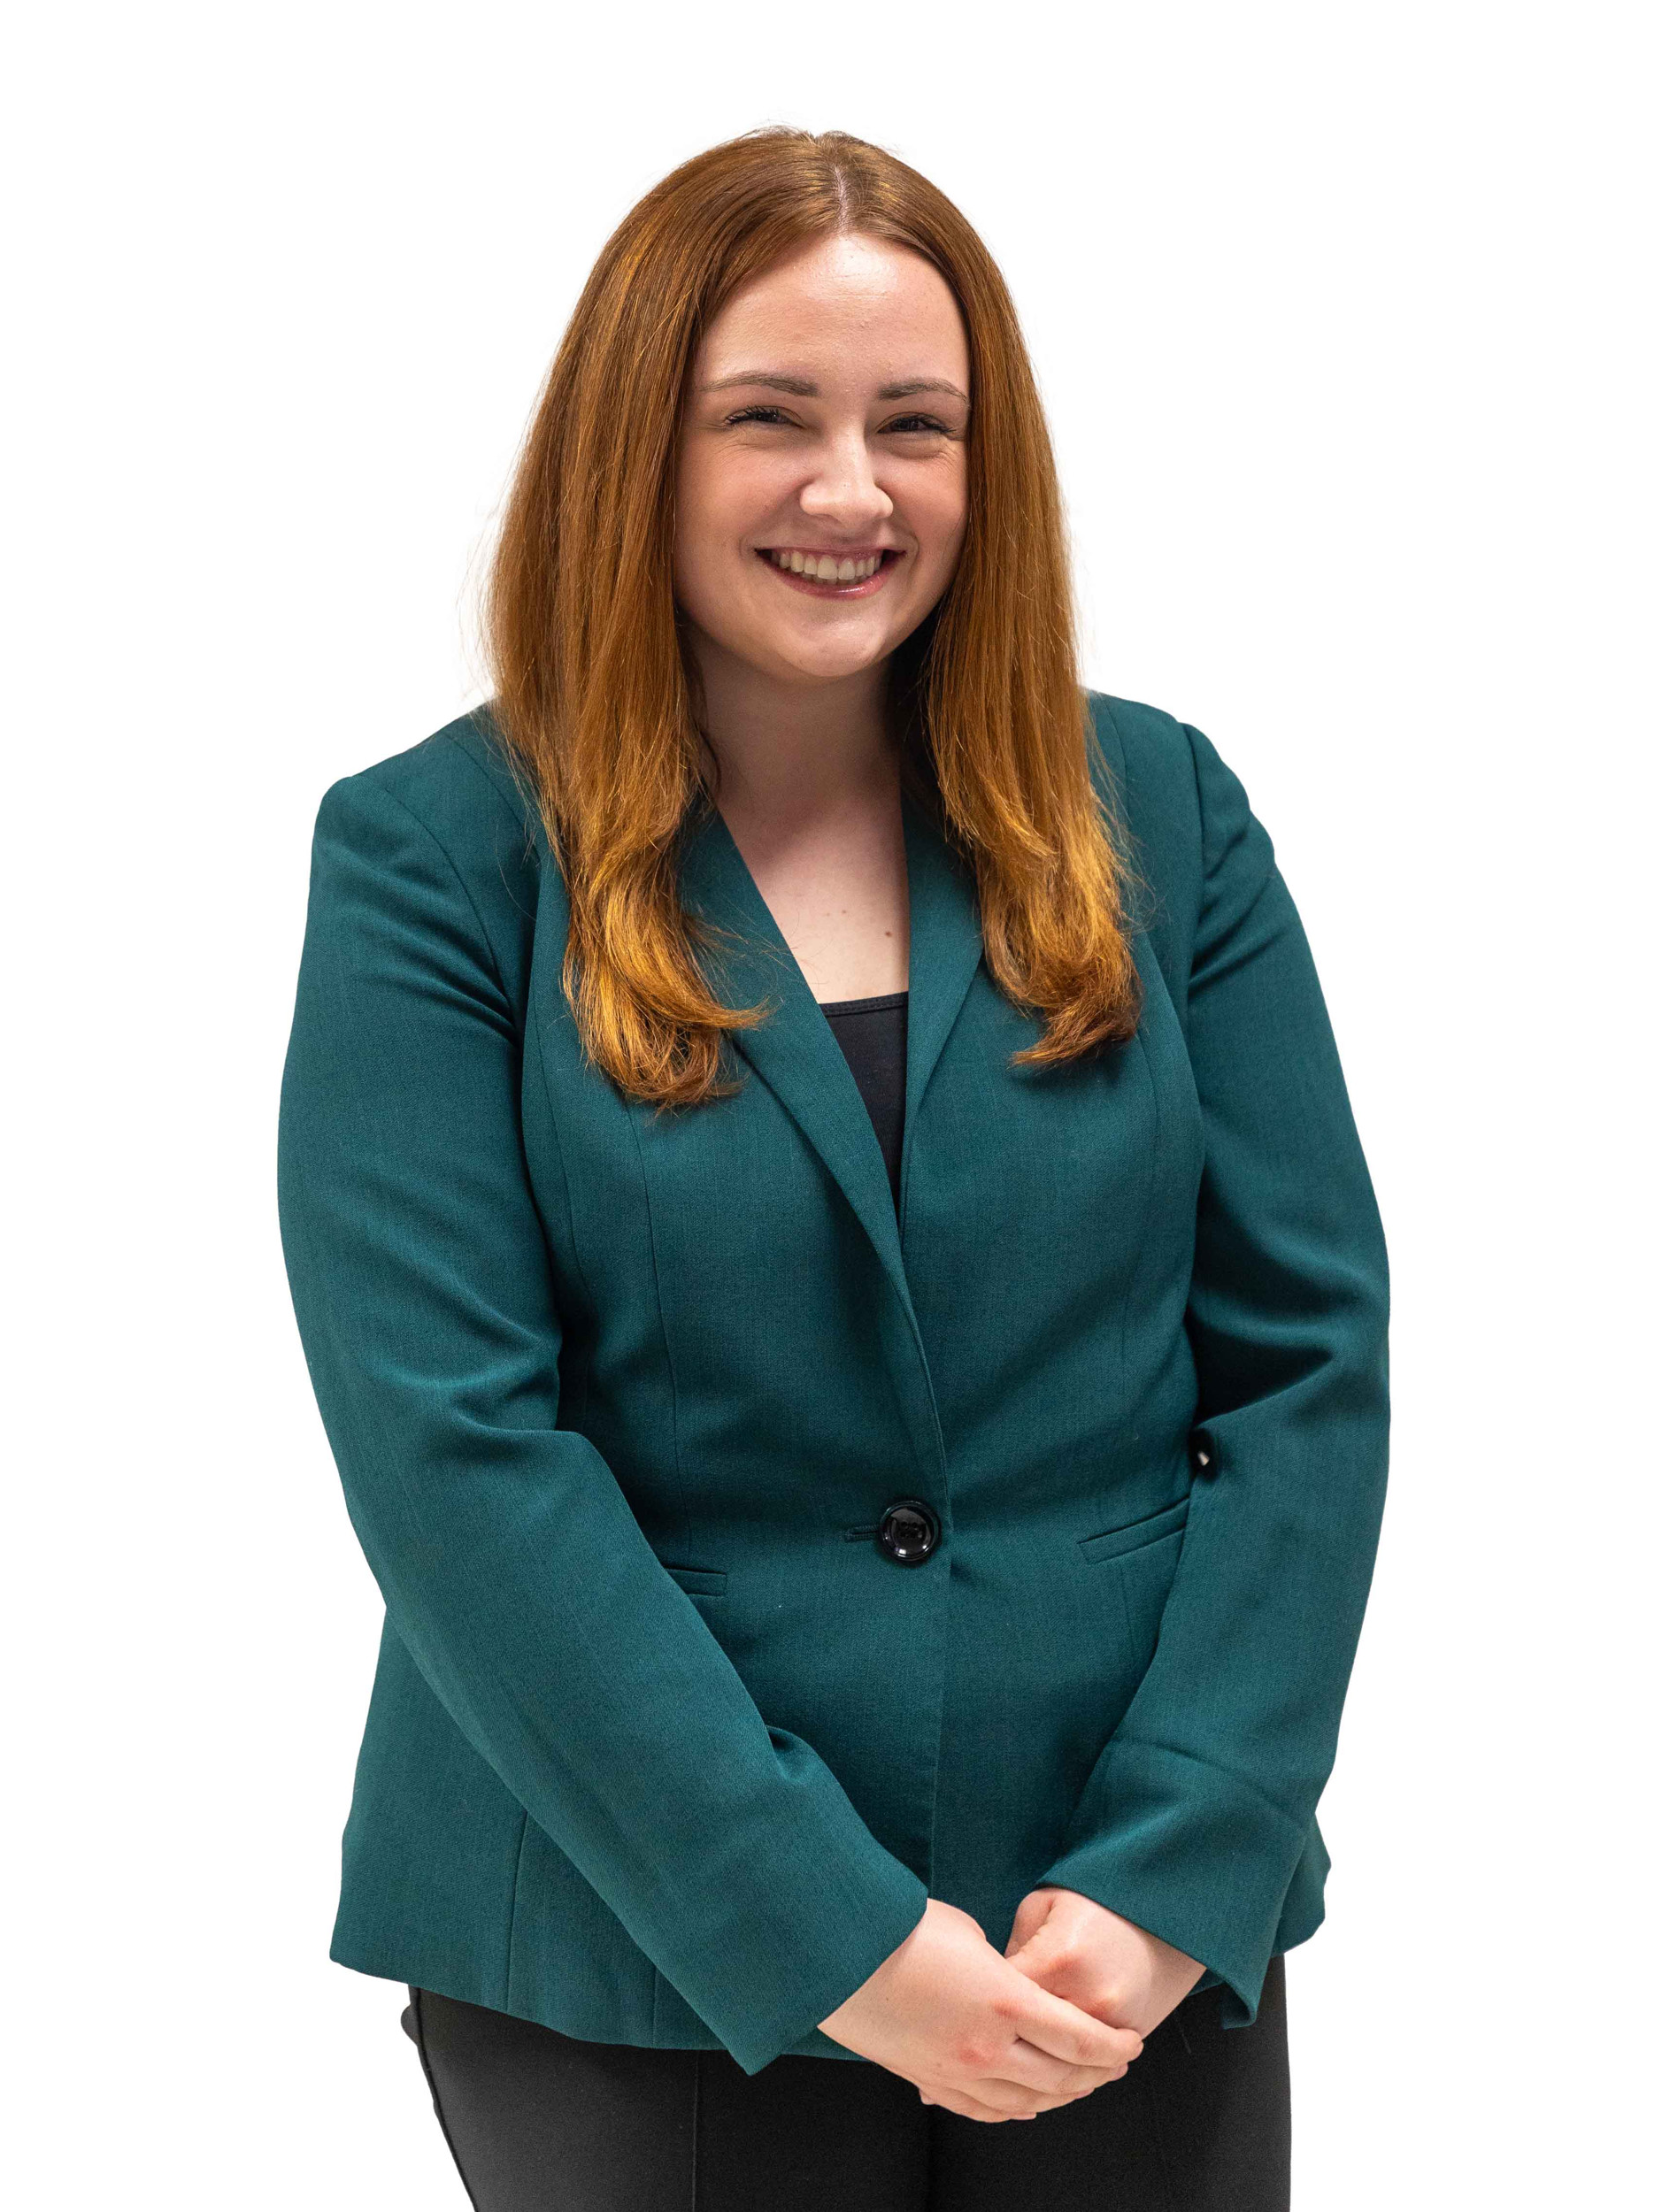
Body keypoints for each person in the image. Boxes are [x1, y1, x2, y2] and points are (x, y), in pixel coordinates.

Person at [277, 125, 1389, 2211]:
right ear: (636, 449)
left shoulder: (1161, 810)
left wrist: (1180, 1855)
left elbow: (1305, 1372)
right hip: (627, 1936)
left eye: (915, 425)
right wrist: (829, 1930)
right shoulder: (437, 861)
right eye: (768, 418)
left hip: (1111, 1935)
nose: (851, 489)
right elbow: (455, 1454)